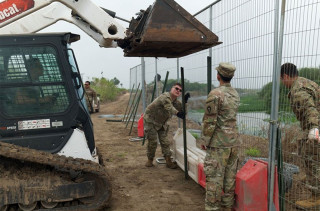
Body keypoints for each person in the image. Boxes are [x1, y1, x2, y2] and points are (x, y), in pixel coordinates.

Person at [280, 63, 320, 209]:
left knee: (311, 159)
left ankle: (317, 197)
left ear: (286, 76)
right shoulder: (306, 82)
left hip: (315, 127)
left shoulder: (298, 91)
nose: (283, 83)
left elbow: (310, 109)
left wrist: (314, 129)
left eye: (282, 80)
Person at [200, 62, 240, 211]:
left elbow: (210, 121)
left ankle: (212, 208)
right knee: (229, 180)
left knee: (214, 180)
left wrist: (204, 140)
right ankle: (227, 207)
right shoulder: (235, 93)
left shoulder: (215, 94)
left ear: (218, 76)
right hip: (233, 142)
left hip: (218, 144)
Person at [144, 82, 190, 169]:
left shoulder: (176, 102)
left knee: (165, 142)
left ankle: (168, 161)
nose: (178, 91)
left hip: (161, 123)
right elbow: (169, 107)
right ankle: (149, 160)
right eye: (176, 88)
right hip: (150, 120)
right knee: (153, 141)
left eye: (180, 90)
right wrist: (177, 113)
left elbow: (184, 113)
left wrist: (185, 102)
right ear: (171, 89)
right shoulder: (165, 97)